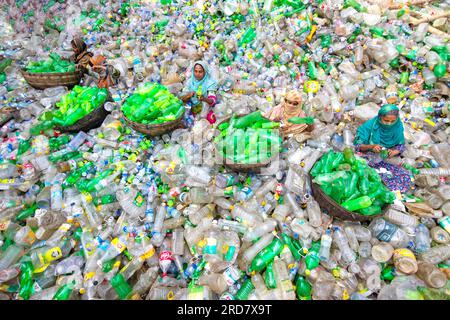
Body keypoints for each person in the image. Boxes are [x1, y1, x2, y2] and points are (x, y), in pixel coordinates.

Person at [354, 104, 412, 193]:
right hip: (367, 158)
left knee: (404, 176)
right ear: (380, 117)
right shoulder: (370, 126)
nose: (389, 123)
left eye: (392, 121)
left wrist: (394, 152)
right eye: (386, 120)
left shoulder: (397, 127)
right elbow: (357, 145)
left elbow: (401, 145)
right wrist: (371, 147)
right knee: (368, 176)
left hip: (384, 160)